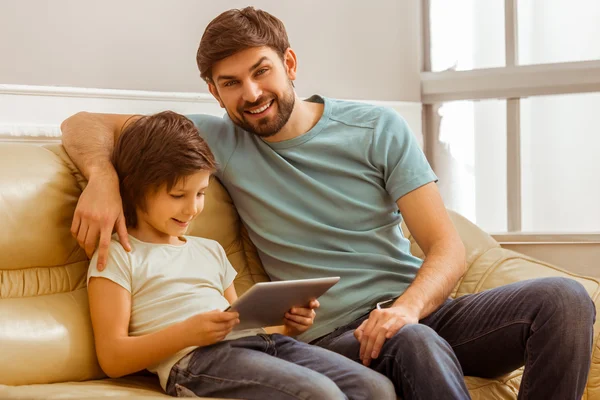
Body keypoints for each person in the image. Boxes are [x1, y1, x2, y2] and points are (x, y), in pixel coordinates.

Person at [63, 7, 596, 400]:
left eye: (261, 71)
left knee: (565, 299)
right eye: (231, 83)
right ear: (213, 91)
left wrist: (406, 309)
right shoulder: (213, 139)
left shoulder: (377, 128)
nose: (250, 93)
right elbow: (82, 124)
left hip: (417, 312)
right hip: (336, 337)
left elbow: (446, 247)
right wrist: (102, 177)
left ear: (289, 62)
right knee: (413, 343)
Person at [86, 110, 395, 399]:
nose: (192, 208)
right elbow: (113, 358)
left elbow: (238, 323)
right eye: (178, 195)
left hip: (261, 344)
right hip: (195, 361)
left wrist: (289, 325)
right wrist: (186, 333)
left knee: (376, 387)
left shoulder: (210, 250)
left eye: (201, 193)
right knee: (318, 393)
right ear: (135, 188)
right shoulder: (119, 255)